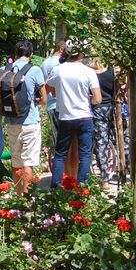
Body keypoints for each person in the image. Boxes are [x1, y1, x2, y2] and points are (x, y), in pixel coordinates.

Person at [45, 39, 101, 186]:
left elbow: (48, 89)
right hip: (84, 117)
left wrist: (59, 94)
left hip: (65, 117)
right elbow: (97, 99)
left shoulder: (58, 69)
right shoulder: (88, 72)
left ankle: (56, 187)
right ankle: (82, 187)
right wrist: (87, 99)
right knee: (85, 154)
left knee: (60, 154)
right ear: (81, 54)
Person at [1, 42, 47, 194]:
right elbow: (44, 99)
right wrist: (36, 101)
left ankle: (19, 195)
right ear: (31, 55)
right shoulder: (34, 70)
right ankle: (27, 199)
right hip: (30, 121)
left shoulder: (4, 70)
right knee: (28, 161)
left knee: (16, 161)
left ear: (15, 54)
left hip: (11, 121)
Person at [88, 58, 117, 185]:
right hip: (112, 109)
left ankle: (104, 178)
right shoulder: (111, 72)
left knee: (101, 143)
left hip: (97, 109)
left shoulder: (89, 74)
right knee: (117, 140)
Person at [41, 42, 65, 167]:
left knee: (57, 139)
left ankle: (58, 170)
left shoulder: (44, 64)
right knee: (66, 140)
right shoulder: (63, 63)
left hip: (51, 104)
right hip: (63, 104)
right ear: (62, 50)